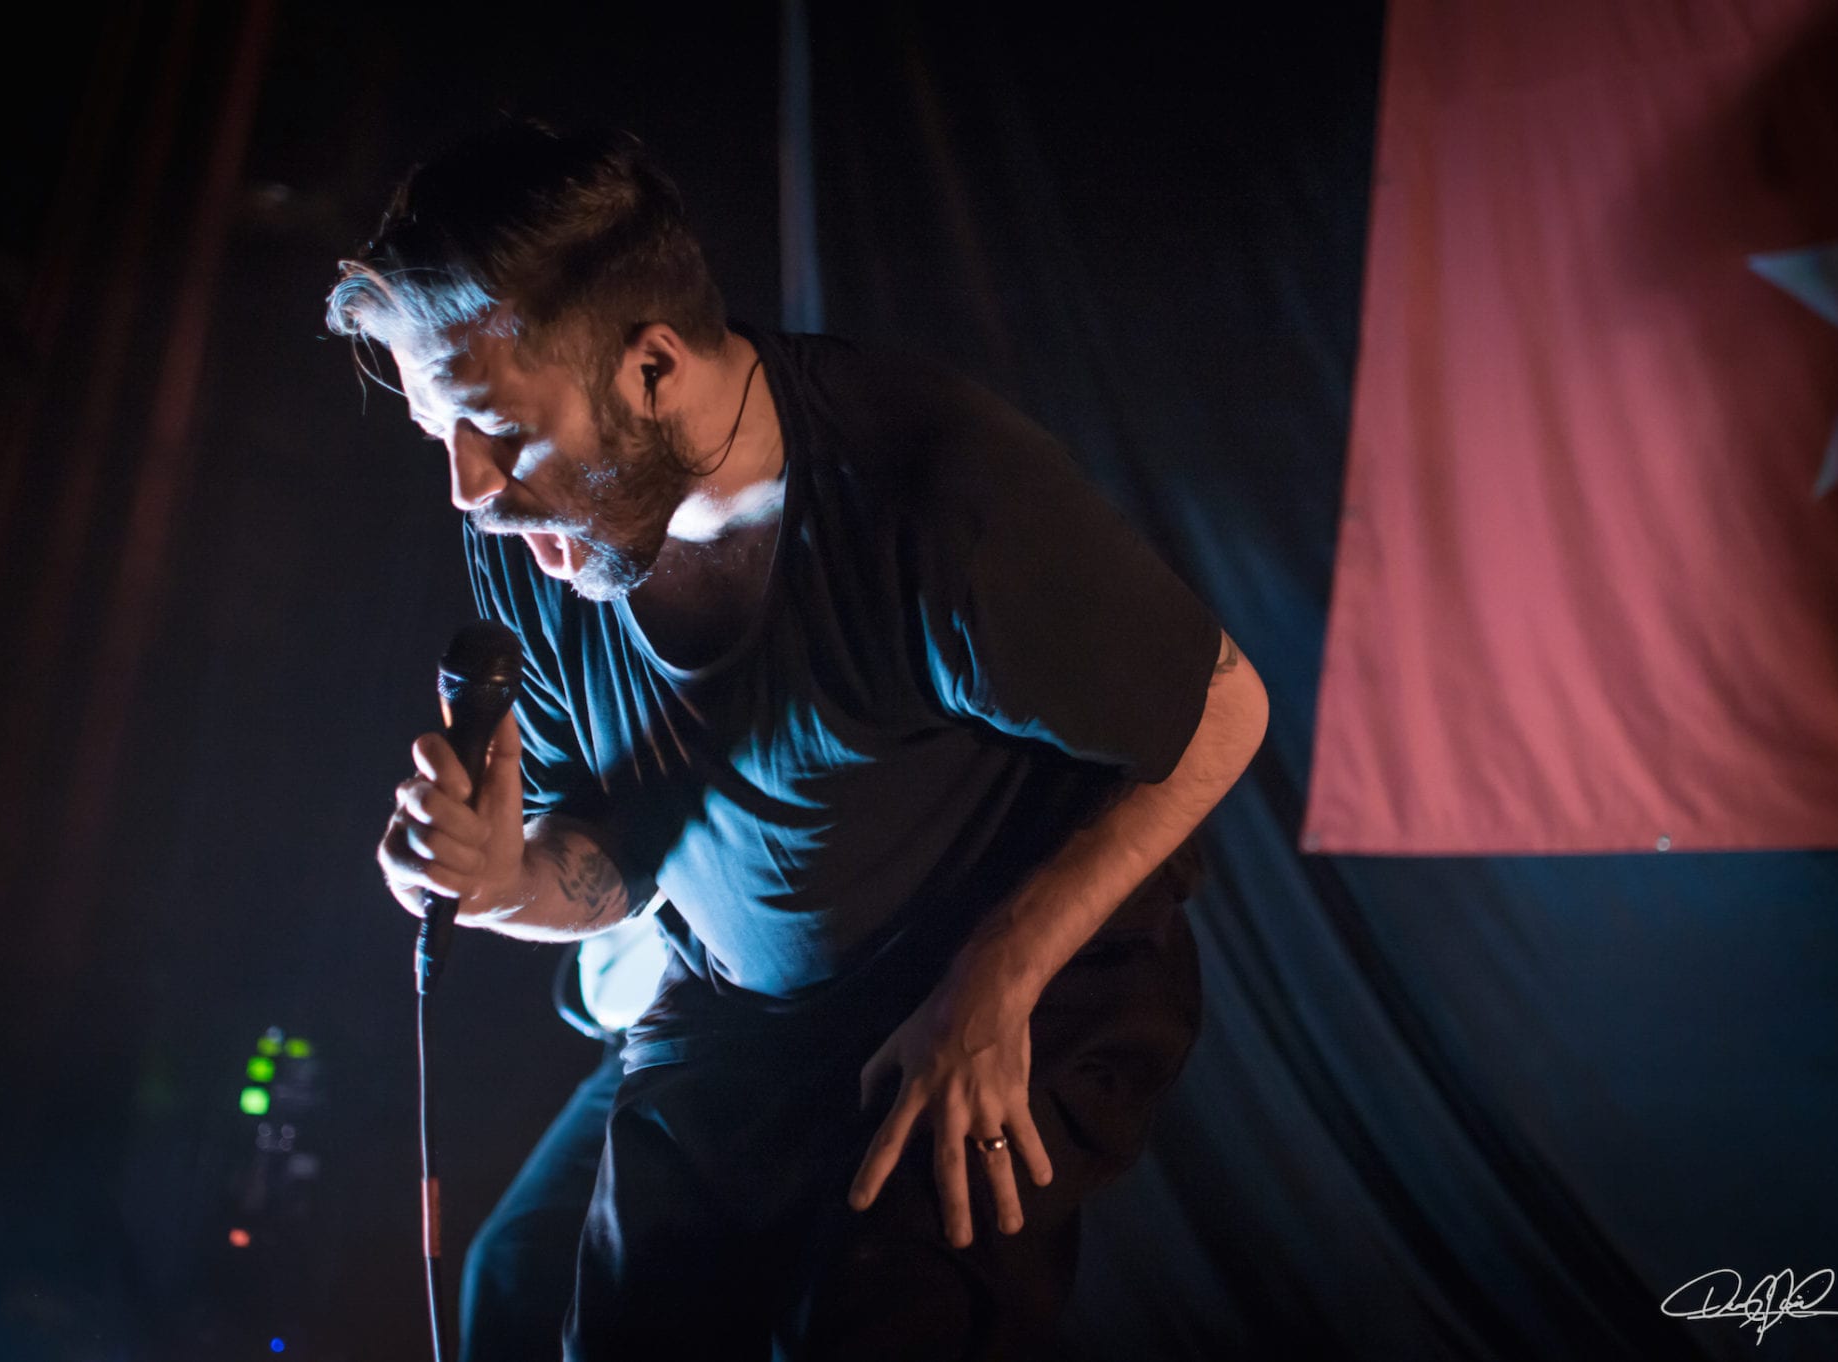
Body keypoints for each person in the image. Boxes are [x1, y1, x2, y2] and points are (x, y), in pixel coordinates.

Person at [331, 121, 1268, 1360]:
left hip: (989, 976)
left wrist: (997, 976)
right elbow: (616, 858)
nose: (468, 487)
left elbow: (1224, 710)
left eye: (496, 427)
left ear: (650, 366)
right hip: (741, 1014)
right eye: (436, 434)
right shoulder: (537, 540)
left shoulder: (931, 490)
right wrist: (502, 882)